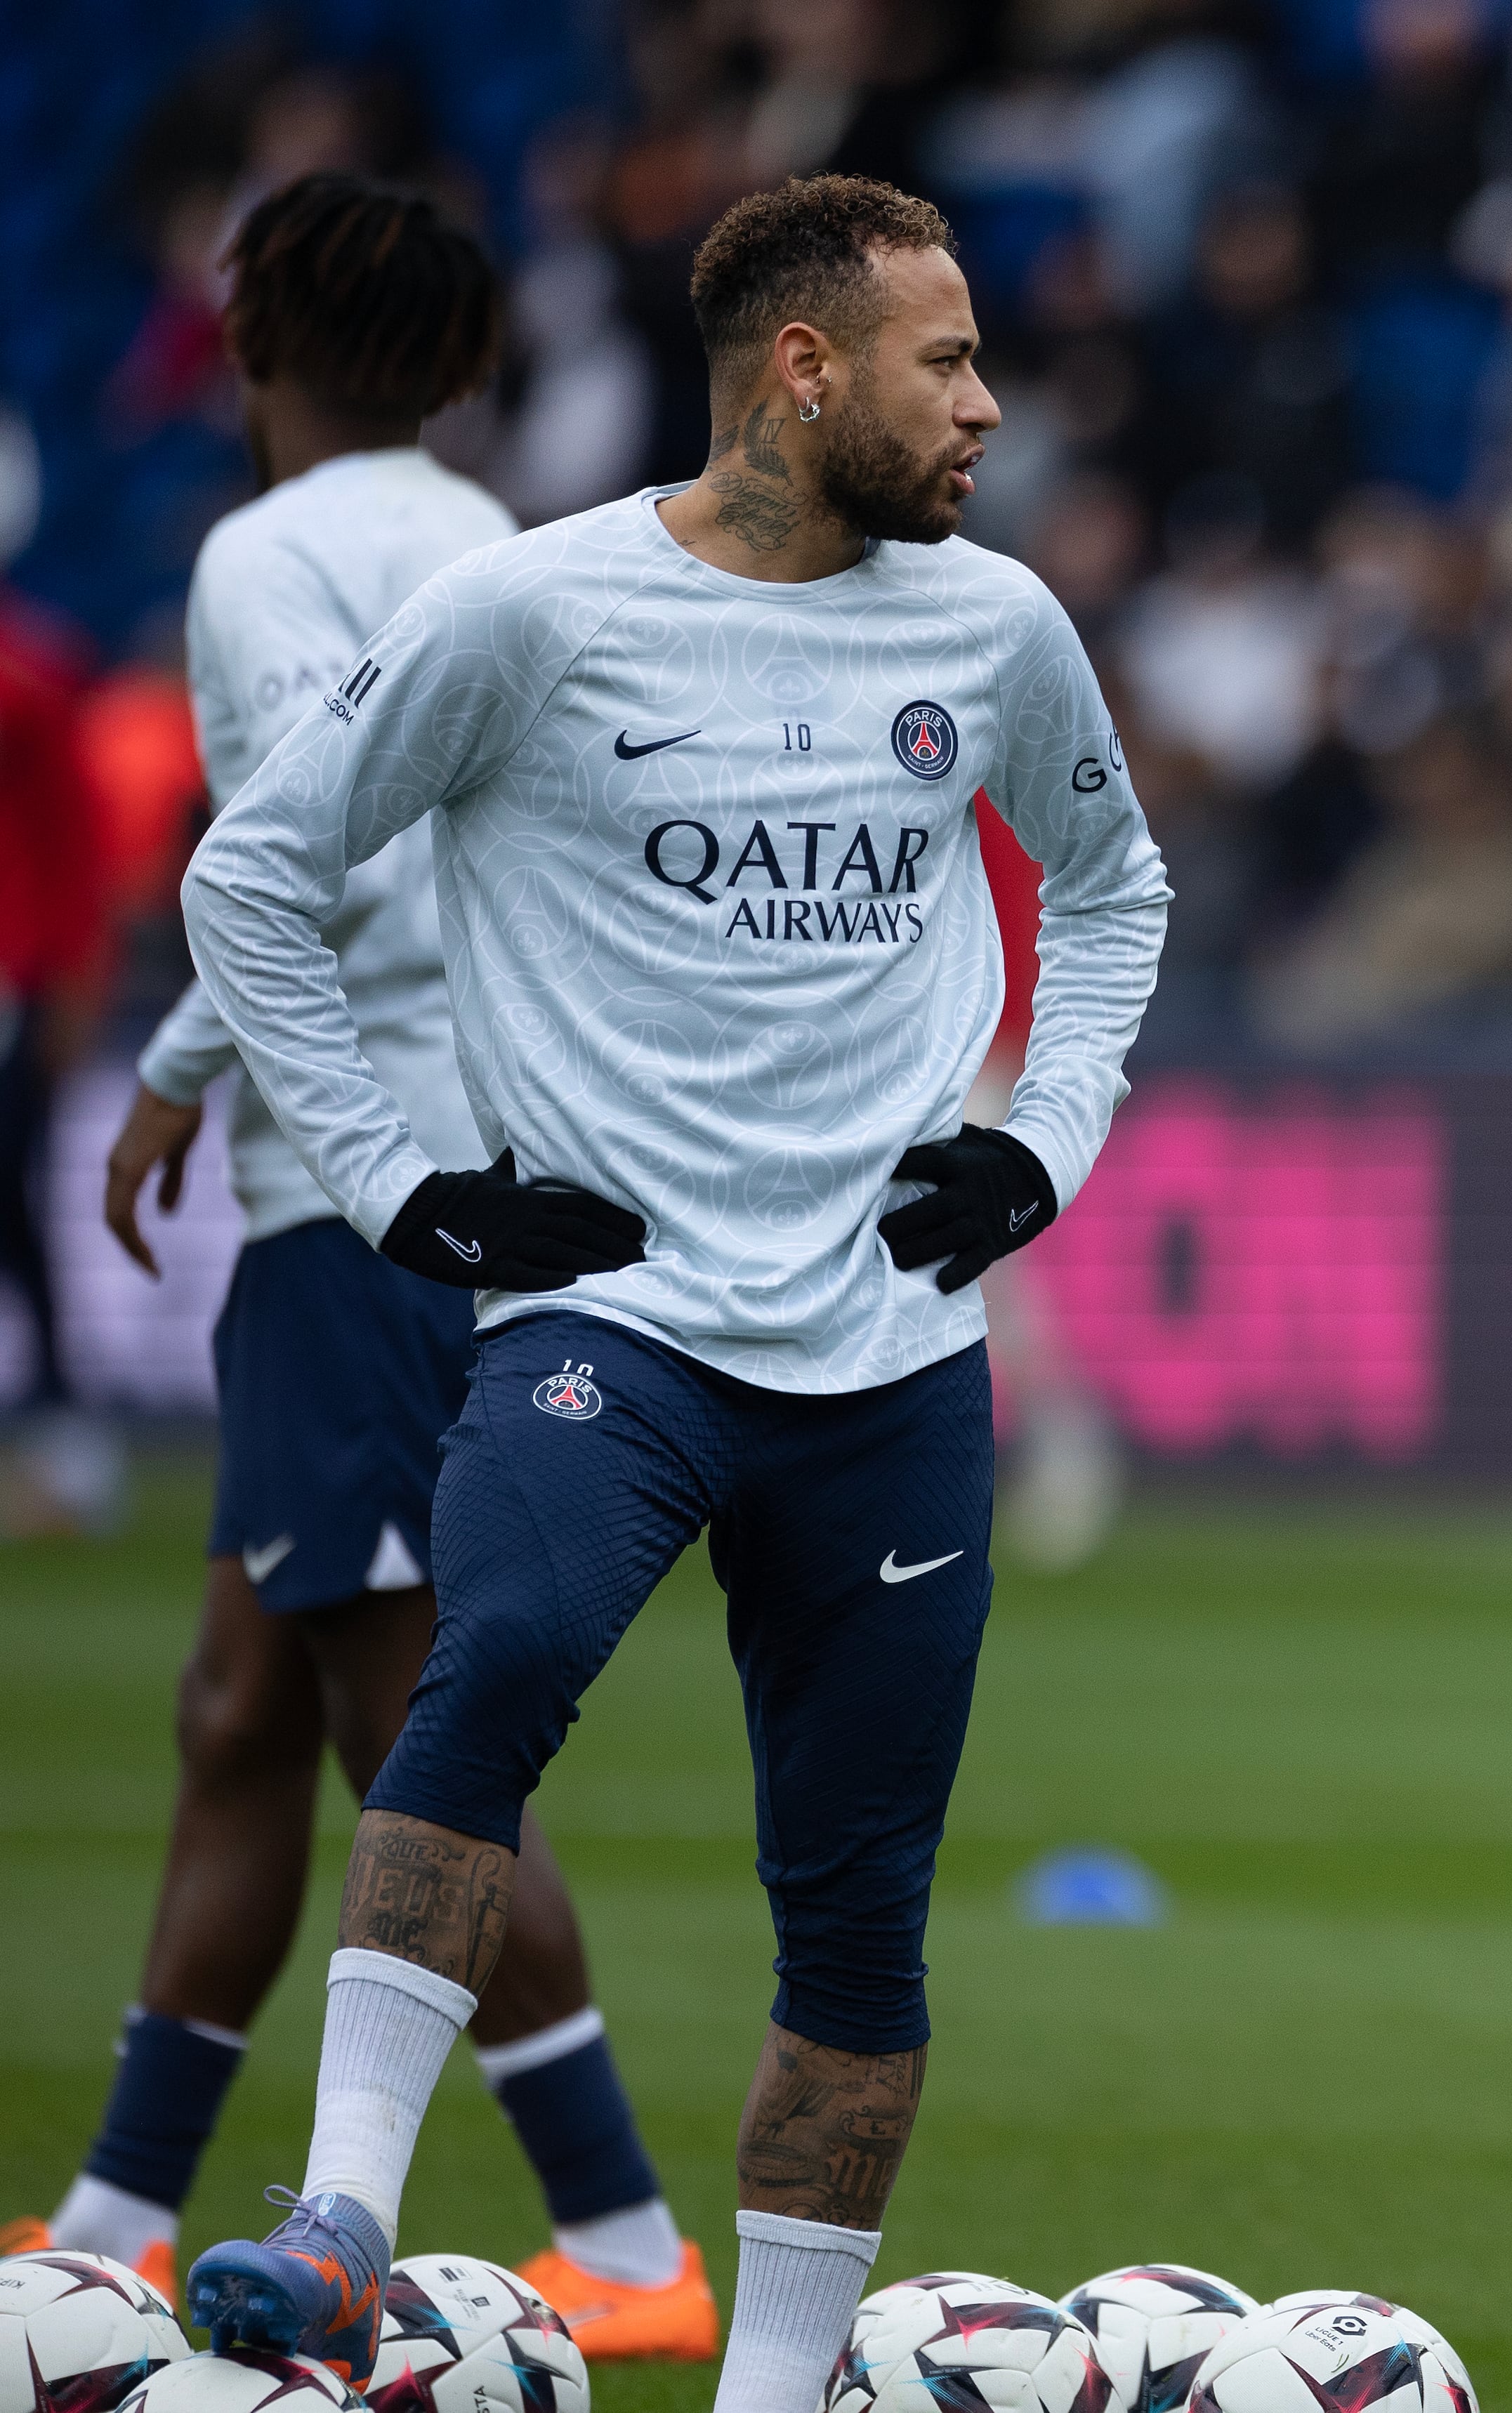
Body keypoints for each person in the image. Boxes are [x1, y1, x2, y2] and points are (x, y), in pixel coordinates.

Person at [169, 172, 1169, 2413]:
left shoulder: (995, 628)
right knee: (495, 1653)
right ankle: (339, 2217)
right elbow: (257, 881)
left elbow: (1113, 886)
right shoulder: (534, 614)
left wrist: (1045, 1139)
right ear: (804, 372)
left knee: (859, 1903)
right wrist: (410, 1186)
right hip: (609, 1322)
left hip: (895, 1355)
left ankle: (770, 2386)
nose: (990, 405)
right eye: (949, 362)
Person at [3, 173, 711, 2357]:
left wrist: (179, 1065)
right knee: (243, 1707)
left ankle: (626, 2237)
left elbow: (320, 830)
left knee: (412, 1724)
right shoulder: (513, 555)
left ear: (248, 357)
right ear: (477, 368)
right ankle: (115, 2207)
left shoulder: (259, 557)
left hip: (367, 1194)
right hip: (466, 1174)